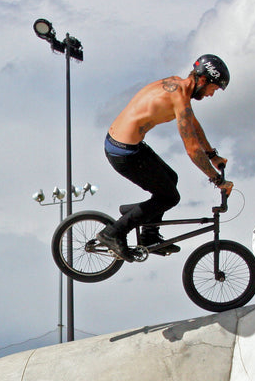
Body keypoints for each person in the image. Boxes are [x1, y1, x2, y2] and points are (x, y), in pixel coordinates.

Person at [97, 54, 233, 261]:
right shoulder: (178, 97)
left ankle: (149, 236)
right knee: (169, 197)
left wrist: (213, 156)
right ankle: (113, 233)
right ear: (203, 80)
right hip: (123, 152)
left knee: (171, 179)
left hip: (128, 145)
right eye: (212, 89)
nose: (211, 95)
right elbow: (192, 150)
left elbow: (194, 126)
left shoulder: (179, 87)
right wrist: (218, 180)